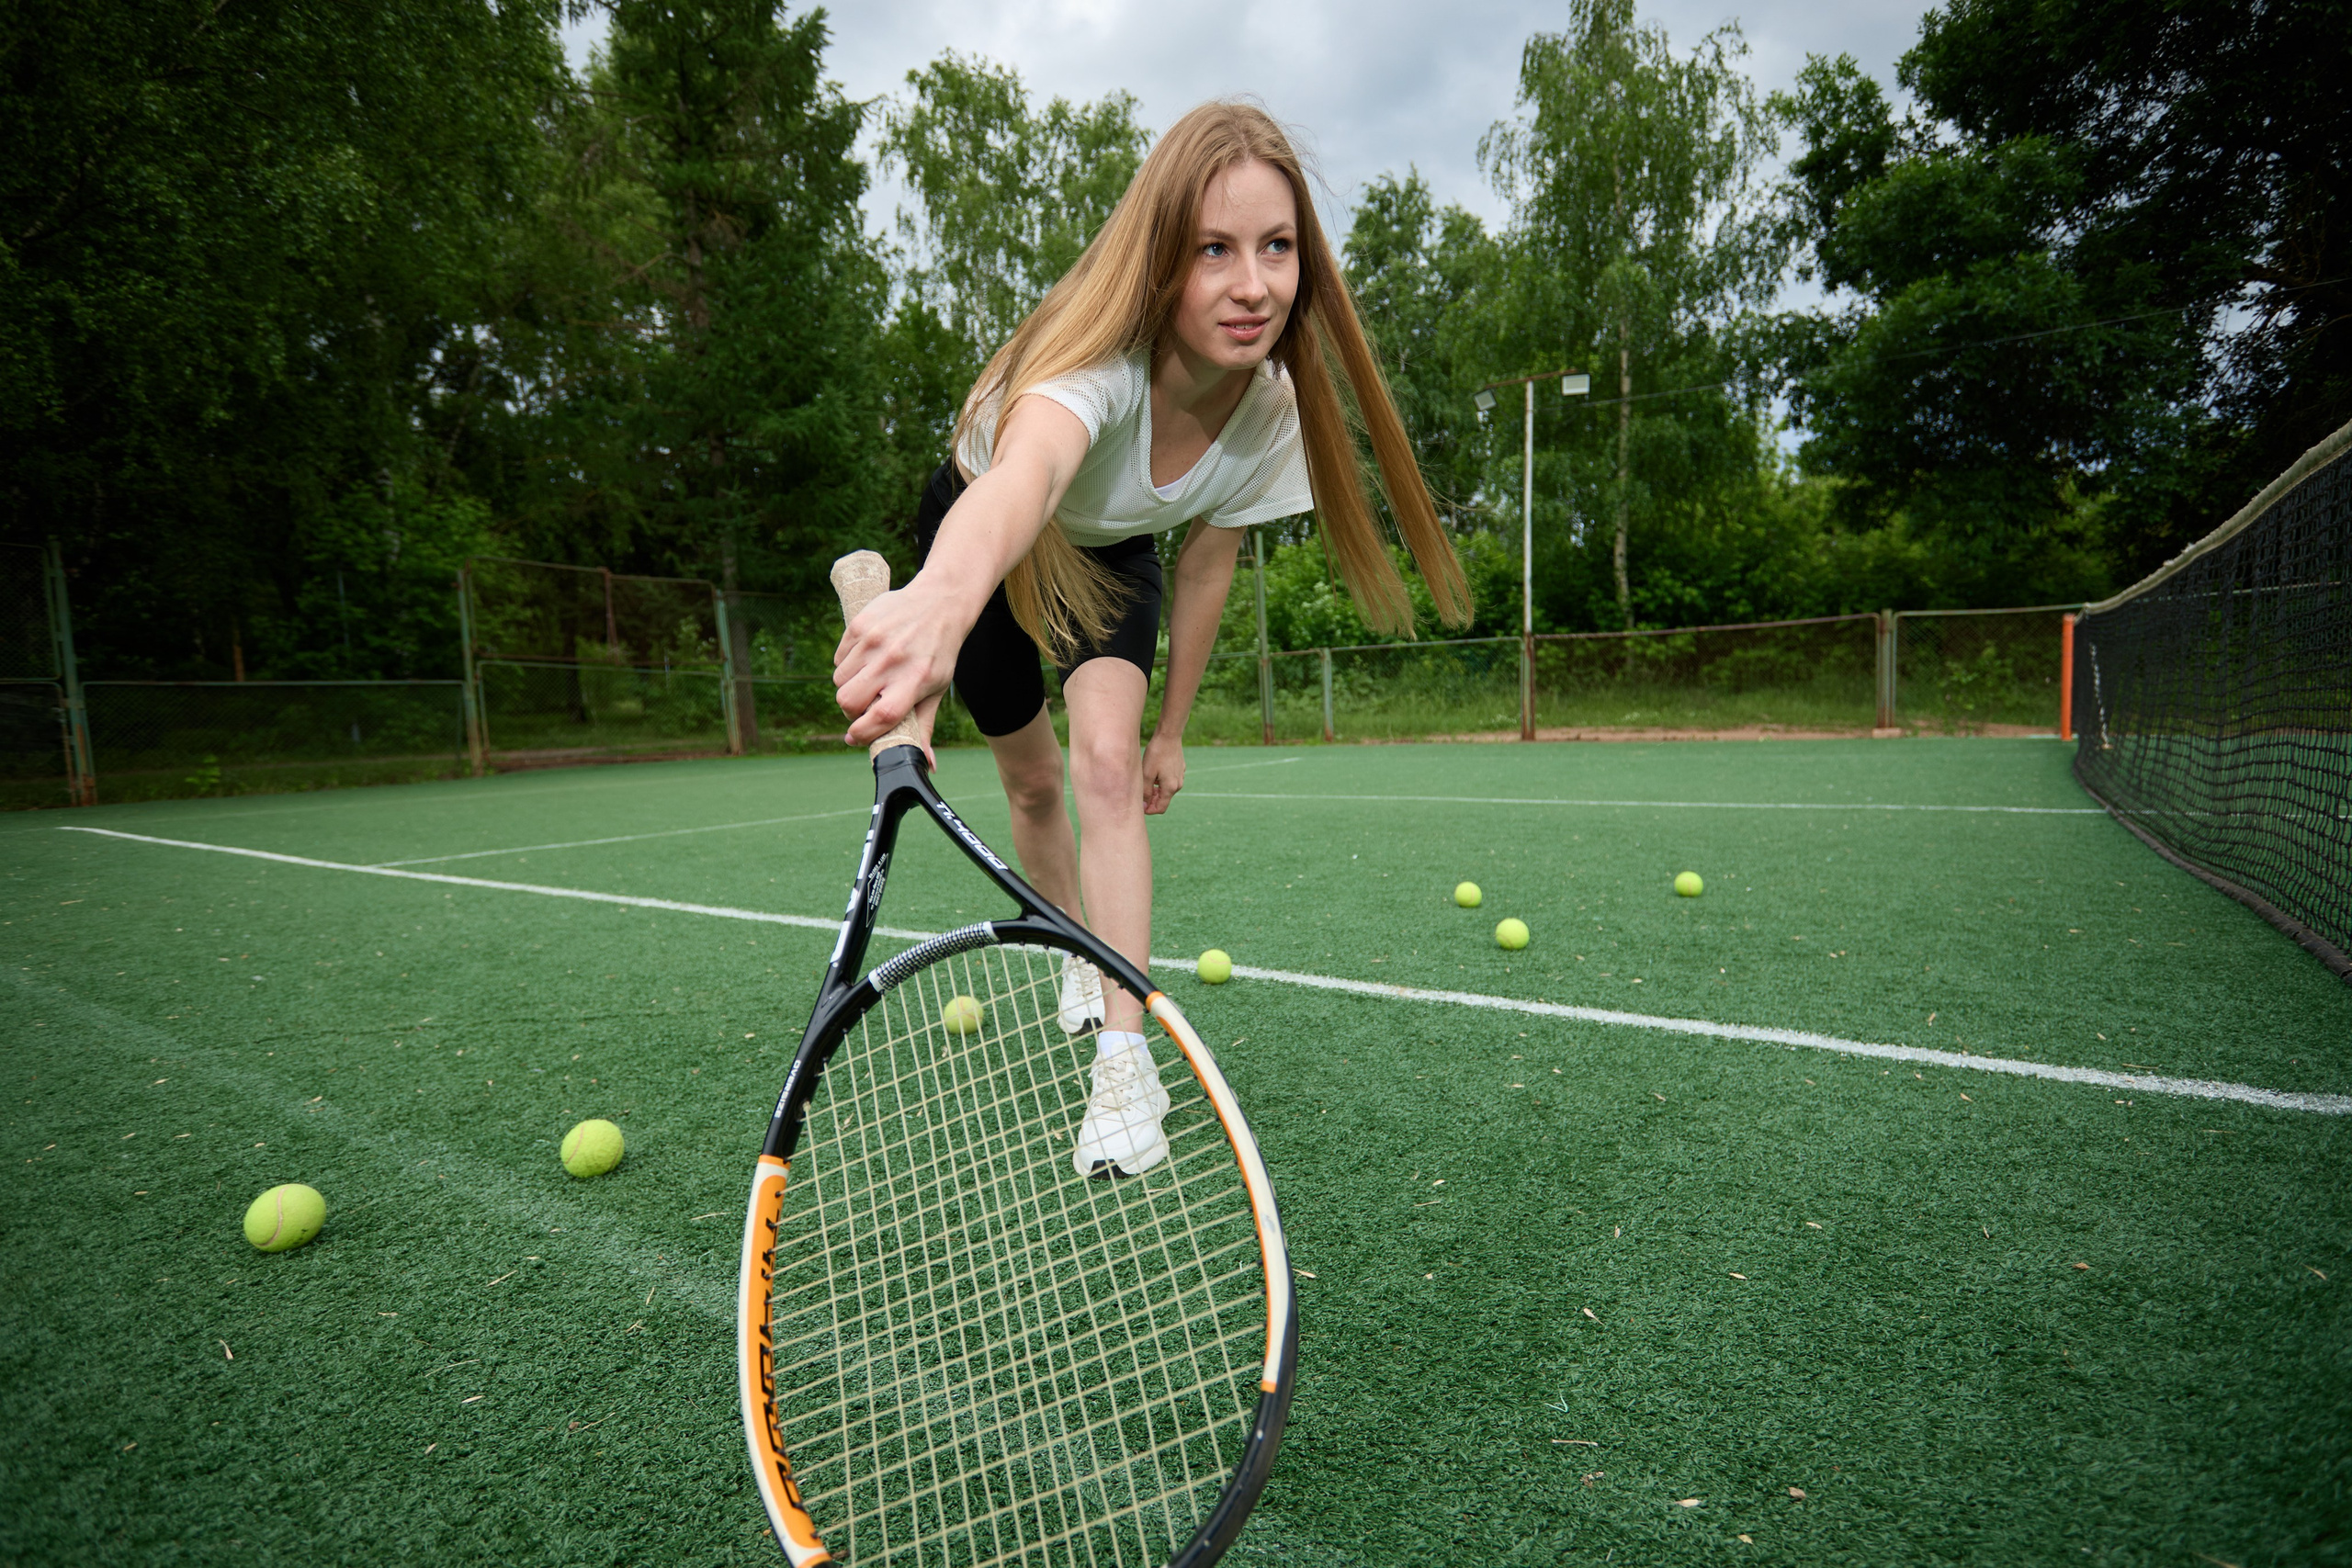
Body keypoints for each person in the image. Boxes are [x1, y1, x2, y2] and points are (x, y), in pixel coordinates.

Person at [833, 100, 1471, 1177]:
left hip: (1112, 546)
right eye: (1212, 250)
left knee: (1110, 771)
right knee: (1035, 786)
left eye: (1276, 248)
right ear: (1160, 262)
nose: (1253, 284)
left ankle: (1124, 1066)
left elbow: (1208, 561)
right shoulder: (1099, 369)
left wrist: (1173, 727)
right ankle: (1071, 950)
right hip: (984, 526)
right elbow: (1025, 479)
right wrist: (942, 596)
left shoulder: (1273, 412)